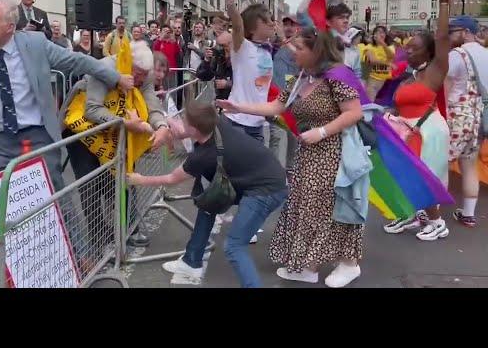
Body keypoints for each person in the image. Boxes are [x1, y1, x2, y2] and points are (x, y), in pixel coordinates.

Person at [0, 0, 132, 285]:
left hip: (37, 134)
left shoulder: (35, 45)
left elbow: (77, 60)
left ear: (10, 26)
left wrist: (114, 77)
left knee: (58, 195)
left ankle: (82, 258)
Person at [218, 22, 366, 287]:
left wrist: (321, 132)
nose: (292, 52)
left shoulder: (337, 74)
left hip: (333, 153)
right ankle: (308, 266)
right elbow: (276, 106)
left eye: (298, 47)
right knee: (305, 207)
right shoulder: (302, 77)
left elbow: (354, 113)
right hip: (308, 154)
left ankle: (349, 262)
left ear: (316, 50)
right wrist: (237, 105)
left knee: (331, 209)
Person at [127, 101, 288, 287]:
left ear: (194, 129)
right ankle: (191, 261)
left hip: (267, 190)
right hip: (262, 176)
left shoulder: (202, 157)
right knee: (208, 202)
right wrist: (166, 124)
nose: (180, 123)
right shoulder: (215, 123)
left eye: (184, 121)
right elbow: (185, 130)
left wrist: (140, 179)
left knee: (235, 246)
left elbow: (172, 178)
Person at [61, 42, 171, 249]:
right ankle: (98, 237)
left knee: (122, 175)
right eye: (137, 74)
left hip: (115, 127)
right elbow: (91, 110)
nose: (140, 80)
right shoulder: (104, 68)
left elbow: (151, 103)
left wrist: (161, 125)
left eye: (143, 76)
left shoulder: (145, 74)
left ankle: (128, 227)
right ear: (128, 62)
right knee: (91, 183)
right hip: (83, 129)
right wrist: (124, 123)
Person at [383, 0, 454, 241]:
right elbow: (398, 105)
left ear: (429, 52)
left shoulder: (435, 71)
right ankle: (411, 213)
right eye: (407, 46)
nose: (407, 50)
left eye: (414, 48)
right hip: (407, 131)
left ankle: (436, 221)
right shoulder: (409, 77)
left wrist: (444, 4)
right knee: (404, 174)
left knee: (426, 176)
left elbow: (443, 39)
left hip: (428, 133)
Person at [210, 0, 278, 143]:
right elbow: (238, 24)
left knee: (255, 170)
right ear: (254, 26)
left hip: (257, 124)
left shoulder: (267, 48)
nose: (273, 24)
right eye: (268, 20)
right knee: (235, 170)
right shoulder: (242, 46)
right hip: (237, 123)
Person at [446, 15, 488, 227]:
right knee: (469, 164)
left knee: (439, 161)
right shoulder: (486, 53)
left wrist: (441, 115)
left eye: (453, 32)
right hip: (478, 116)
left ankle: (427, 212)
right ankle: (468, 214)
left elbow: (446, 83)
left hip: (458, 115)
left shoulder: (457, 54)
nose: (450, 36)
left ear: (465, 32)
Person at [326, 3, 362, 79]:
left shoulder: (353, 49)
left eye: (347, 17)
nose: (346, 20)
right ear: (328, 22)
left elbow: (357, 74)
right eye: (341, 18)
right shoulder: (321, 42)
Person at [196, 31, 233, 100]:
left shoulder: (242, 58)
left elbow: (250, 83)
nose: (226, 52)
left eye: (227, 46)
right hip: (220, 100)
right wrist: (206, 60)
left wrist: (229, 84)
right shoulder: (219, 55)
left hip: (238, 103)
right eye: (223, 46)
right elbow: (203, 76)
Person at [365, 25, 395, 101]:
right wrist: (388, 64)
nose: (379, 34)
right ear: (373, 35)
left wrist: (382, 43)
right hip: (372, 78)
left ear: (385, 35)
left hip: (384, 79)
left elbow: (391, 56)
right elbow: (372, 60)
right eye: (377, 32)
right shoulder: (369, 46)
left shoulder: (390, 47)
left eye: (382, 32)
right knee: (370, 101)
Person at [272, 15, 301, 90]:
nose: (289, 28)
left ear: (298, 28)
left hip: (289, 88)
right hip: (274, 90)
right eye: (286, 25)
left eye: (292, 25)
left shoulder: (300, 44)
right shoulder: (275, 44)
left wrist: (288, 91)